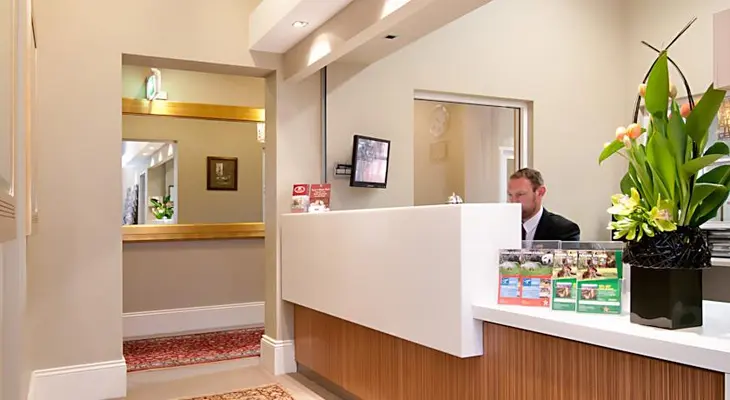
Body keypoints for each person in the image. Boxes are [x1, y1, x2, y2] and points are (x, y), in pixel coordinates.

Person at [507, 168, 580, 242]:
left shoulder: (564, 230)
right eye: (510, 195)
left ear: (540, 192)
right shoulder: (504, 228)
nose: (513, 201)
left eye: (520, 194)